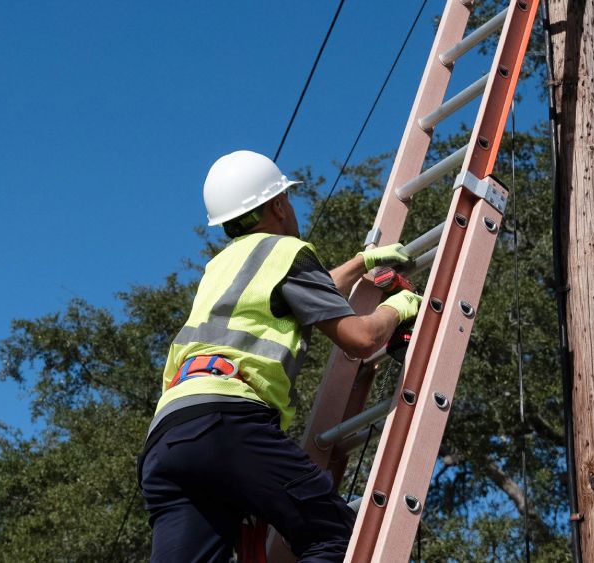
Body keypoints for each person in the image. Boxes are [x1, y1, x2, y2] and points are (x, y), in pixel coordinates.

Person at [138, 150, 422, 562]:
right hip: (226, 425)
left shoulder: (221, 269)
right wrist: (400, 308)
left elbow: (302, 295)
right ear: (278, 203)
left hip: (167, 442)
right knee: (336, 538)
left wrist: (361, 261)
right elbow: (359, 338)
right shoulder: (285, 253)